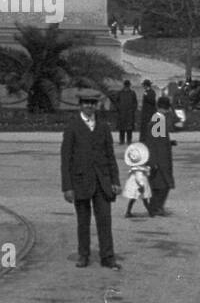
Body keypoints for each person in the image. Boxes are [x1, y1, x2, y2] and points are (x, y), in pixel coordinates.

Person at [60, 93, 122, 269]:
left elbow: (110, 156)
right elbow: (66, 159)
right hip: (80, 182)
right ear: (80, 105)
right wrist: (67, 187)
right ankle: (83, 255)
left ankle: (107, 256)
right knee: (83, 221)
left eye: (92, 104)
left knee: (105, 220)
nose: (89, 106)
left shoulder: (103, 126)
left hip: (102, 182)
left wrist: (115, 180)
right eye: (86, 103)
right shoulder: (72, 127)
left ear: (96, 106)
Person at [140, 97, 176, 217]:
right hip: (160, 159)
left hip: (159, 157)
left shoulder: (157, 118)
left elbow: (156, 139)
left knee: (160, 184)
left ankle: (157, 207)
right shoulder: (159, 120)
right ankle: (156, 208)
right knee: (162, 185)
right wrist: (154, 160)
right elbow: (155, 142)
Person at [121, 141, 152, 218]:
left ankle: (128, 211)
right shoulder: (139, 170)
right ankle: (150, 212)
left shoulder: (135, 169)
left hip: (133, 184)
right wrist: (141, 185)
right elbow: (139, 178)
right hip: (139, 185)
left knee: (133, 198)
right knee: (144, 199)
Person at [114, 79, 138, 145]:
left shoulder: (132, 93)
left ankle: (129, 140)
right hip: (121, 112)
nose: (127, 87)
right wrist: (118, 108)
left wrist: (133, 109)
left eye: (128, 86)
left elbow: (135, 102)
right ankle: (122, 140)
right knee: (122, 128)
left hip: (129, 113)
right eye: (126, 86)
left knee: (129, 128)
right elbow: (116, 102)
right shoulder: (120, 93)